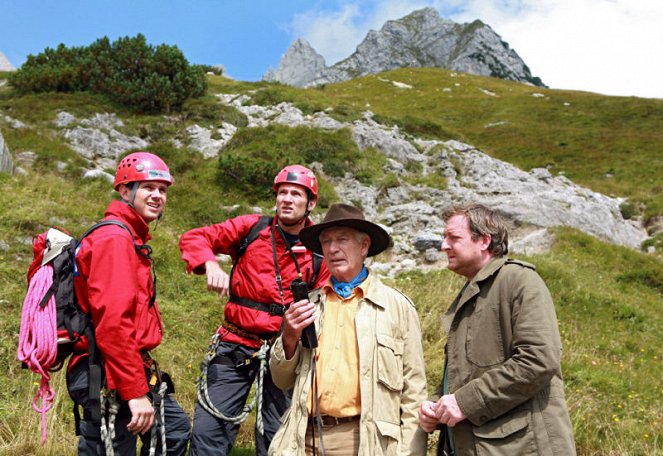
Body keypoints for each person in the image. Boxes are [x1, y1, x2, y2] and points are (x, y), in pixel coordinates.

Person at [179, 164, 330, 455]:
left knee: (278, 437)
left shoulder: (319, 250)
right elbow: (195, 237)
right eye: (282, 192)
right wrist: (209, 263)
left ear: (310, 203)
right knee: (208, 432)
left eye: (296, 194)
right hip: (235, 343)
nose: (287, 199)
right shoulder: (252, 228)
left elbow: (325, 306)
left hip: (284, 354)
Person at [268, 203, 428, 456]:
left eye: (342, 239)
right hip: (302, 439)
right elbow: (281, 380)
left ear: (364, 247)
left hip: (361, 441)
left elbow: (414, 392)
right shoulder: (308, 305)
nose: (333, 249)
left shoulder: (397, 307)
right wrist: (288, 335)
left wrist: (409, 452)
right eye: (326, 242)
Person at [419, 203, 576, 455]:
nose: (443, 246)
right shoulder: (471, 292)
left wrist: (463, 402)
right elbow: (468, 376)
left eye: (453, 238)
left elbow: (539, 360)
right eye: (443, 237)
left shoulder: (519, 280)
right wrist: (437, 407)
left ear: (483, 241)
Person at [67, 152, 191, 455]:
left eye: (163, 190)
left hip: (121, 364)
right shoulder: (115, 239)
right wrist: (134, 393)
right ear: (125, 191)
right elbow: (112, 323)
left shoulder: (127, 235)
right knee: (112, 447)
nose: (158, 196)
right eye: (148, 187)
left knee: (172, 430)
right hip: (106, 368)